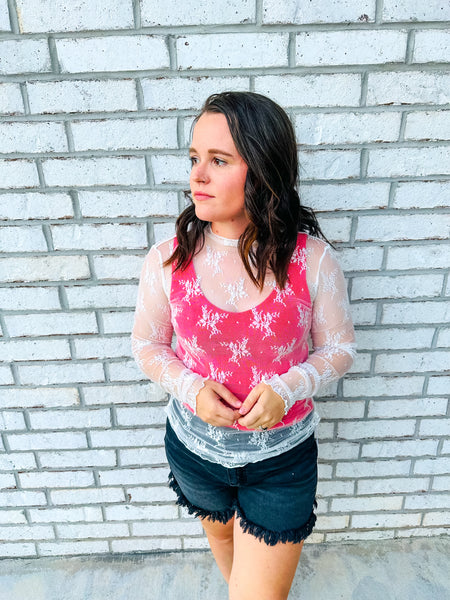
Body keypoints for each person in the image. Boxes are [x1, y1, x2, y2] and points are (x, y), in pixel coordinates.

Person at [131, 91, 356, 600]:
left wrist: (288, 387)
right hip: (194, 452)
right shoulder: (168, 259)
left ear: (263, 168)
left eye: (218, 160)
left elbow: (340, 348)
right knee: (226, 550)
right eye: (194, 159)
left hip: (280, 461)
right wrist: (191, 389)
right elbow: (146, 345)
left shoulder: (311, 260)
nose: (197, 177)